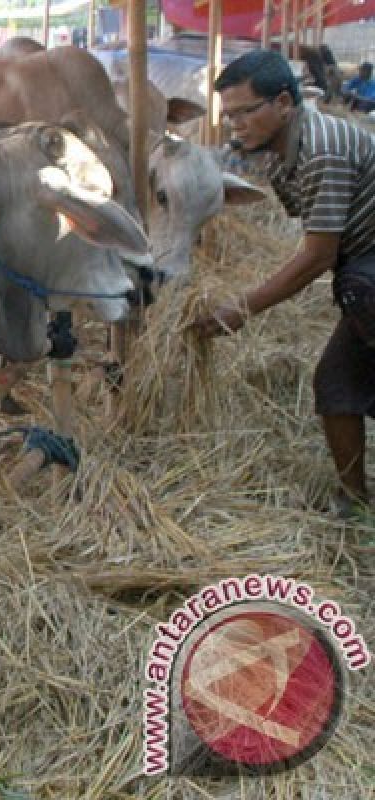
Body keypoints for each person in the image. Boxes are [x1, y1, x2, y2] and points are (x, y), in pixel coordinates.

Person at [193, 50, 375, 518]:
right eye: (228, 114)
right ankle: (353, 502)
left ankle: (353, 502)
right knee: (336, 384)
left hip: (367, 276)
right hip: (362, 273)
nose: (235, 124)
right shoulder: (278, 150)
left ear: (283, 104)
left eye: (244, 112)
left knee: (338, 378)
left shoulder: (322, 152)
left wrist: (242, 308)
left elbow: (318, 256)